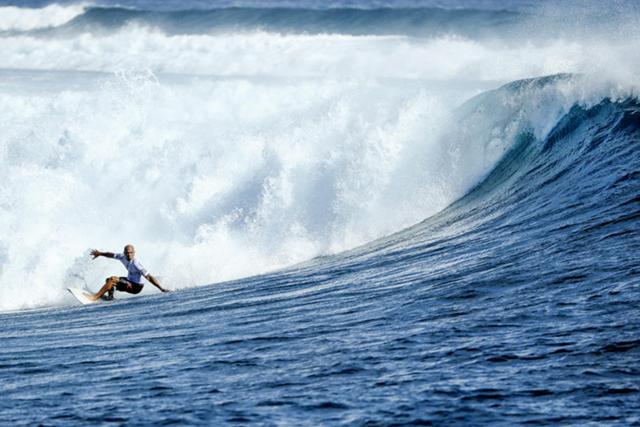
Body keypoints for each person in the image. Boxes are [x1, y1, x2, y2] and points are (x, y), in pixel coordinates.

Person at [89, 244, 168, 301]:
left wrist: (161, 288)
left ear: (134, 253)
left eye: (131, 252)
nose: (129, 254)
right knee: (108, 280)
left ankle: (95, 297)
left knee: (112, 280)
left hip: (136, 287)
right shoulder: (122, 257)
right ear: (124, 253)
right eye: (127, 253)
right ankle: (111, 298)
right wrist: (100, 253)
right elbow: (111, 254)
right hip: (129, 281)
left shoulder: (136, 263)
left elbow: (149, 277)